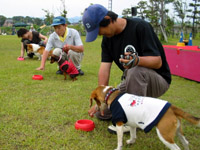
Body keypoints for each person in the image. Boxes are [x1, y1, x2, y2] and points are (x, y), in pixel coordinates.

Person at [82, 4, 171, 133]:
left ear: (108, 19)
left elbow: (158, 62)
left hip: (157, 81)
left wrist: (137, 60)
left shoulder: (140, 27)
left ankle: (133, 121)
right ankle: (141, 110)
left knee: (134, 70)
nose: (101, 35)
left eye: (100, 31)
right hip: (133, 80)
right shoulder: (108, 39)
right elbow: (104, 68)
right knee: (103, 112)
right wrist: (101, 99)